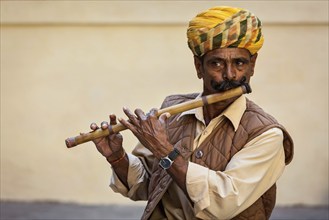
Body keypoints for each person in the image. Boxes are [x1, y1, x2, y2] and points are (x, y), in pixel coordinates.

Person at [89, 6, 294, 220]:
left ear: (252, 66)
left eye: (239, 63)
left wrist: (164, 150)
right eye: (217, 63)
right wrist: (117, 157)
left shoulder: (267, 134)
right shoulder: (172, 110)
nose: (230, 74)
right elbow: (148, 184)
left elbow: (223, 203)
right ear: (198, 66)